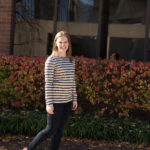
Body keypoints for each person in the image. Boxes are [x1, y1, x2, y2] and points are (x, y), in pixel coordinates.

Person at [23, 31, 78, 150]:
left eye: (65, 42)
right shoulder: (51, 60)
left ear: (68, 43)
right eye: (60, 42)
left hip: (67, 102)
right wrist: (49, 103)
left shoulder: (71, 60)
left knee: (59, 131)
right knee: (50, 130)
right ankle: (29, 148)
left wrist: (74, 99)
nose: (63, 44)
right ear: (56, 43)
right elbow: (48, 84)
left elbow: (72, 81)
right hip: (56, 103)